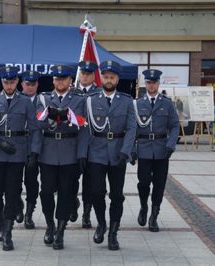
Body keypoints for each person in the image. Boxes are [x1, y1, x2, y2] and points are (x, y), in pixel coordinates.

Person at [0, 66, 41, 251]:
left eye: (12, 81)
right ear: (2, 82)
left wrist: (33, 153)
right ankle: (0, 221)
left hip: (17, 152)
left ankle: (7, 231)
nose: (9, 85)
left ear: (17, 82)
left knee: (13, 193)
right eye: (6, 82)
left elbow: (35, 129)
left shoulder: (25, 102)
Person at [36, 65, 88, 250]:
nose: (60, 81)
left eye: (64, 78)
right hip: (48, 152)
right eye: (57, 79)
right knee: (46, 192)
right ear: (53, 80)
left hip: (70, 152)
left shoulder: (79, 100)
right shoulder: (43, 98)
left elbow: (83, 127)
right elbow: (37, 126)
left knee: (66, 193)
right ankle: (50, 225)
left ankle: (60, 231)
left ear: (70, 80)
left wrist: (82, 154)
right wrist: (35, 152)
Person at [86, 60, 136, 250]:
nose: (108, 80)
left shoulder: (126, 101)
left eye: (112, 77)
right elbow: (85, 128)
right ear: (101, 78)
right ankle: (101, 223)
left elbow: (132, 128)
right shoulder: (91, 100)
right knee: (96, 192)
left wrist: (126, 151)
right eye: (106, 77)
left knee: (116, 195)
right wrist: (83, 154)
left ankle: (113, 233)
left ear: (117, 79)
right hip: (96, 152)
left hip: (118, 153)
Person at [134, 69, 179, 232]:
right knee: (143, 183)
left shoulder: (167, 103)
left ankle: (154, 215)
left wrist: (171, 144)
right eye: (148, 82)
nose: (151, 85)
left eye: (154, 82)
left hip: (162, 149)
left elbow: (174, 126)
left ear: (158, 83)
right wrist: (132, 148)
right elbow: (133, 128)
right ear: (145, 84)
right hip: (144, 148)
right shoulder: (138, 103)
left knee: (159, 184)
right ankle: (144, 206)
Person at [70, 60, 99, 227]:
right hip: (73, 144)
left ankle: (87, 213)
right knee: (71, 179)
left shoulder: (99, 93)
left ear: (93, 75)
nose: (85, 77)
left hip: (93, 145)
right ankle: (73, 203)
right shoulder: (71, 93)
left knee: (89, 182)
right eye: (83, 73)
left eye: (88, 74)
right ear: (79, 75)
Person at [20, 70, 41, 229]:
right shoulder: (15, 99)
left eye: (33, 84)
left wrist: (34, 152)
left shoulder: (43, 101)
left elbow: (39, 129)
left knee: (31, 182)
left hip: (34, 147)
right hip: (16, 147)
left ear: (37, 85)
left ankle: (29, 214)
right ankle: (17, 204)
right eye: (27, 84)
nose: (30, 87)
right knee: (12, 182)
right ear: (22, 85)